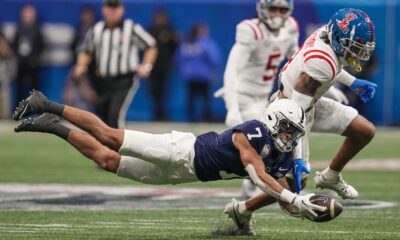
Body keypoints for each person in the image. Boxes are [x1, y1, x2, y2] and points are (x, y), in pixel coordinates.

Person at [12, 90, 326, 235]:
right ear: (274, 120)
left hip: (183, 176)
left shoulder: (283, 152)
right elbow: (257, 174)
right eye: (286, 127)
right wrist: (290, 195)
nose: (288, 135)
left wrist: (303, 201)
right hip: (179, 151)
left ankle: (52, 125)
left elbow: (280, 196)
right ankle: (46, 103)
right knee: (109, 137)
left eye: (293, 131)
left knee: (107, 161)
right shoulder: (254, 130)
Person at [222, 8, 377, 234]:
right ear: (337, 39)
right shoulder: (320, 64)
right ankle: (243, 209)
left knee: (364, 131)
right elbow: (297, 114)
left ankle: (331, 176)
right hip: (290, 113)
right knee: (296, 184)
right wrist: (295, 159)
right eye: (354, 48)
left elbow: (334, 66)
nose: (357, 54)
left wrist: (353, 82)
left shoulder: (327, 34)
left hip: (309, 102)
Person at [215, 0, 348, 198]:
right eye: (273, 9)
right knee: (263, 143)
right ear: (262, 9)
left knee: (269, 143)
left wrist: (332, 85)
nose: (278, 14)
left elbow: (300, 59)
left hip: (264, 96)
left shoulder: (290, 27)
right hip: (243, 95)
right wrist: (232, 106)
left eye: (282, 9)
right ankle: (252, 187)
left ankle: (253, 186)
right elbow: (232, 70)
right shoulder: (251, 30)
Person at [73, 0, 157, 128]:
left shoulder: (131, 27)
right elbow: (86, 50)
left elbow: (151, 46)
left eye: (115, 8)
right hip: (103, 80)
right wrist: (81, 65)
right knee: (102, 116)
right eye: (109, 7)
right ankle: (104, 146)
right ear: (104, 9)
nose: (112, 11)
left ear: (121, 10)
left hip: (125, 79)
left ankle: (117, 146)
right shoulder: (97, 29)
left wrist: (146, 65)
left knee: (115, 113)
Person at [176, 23, 221, 122]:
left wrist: (185, 70)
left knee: (191, 97)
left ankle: (191, 117)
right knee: (205, 98)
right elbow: (214, 58)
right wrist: (213, 71)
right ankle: (207, 116)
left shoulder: (186, 44)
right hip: (203, 76)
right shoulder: (206, 43)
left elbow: (178, 59)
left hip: (190, 76)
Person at [147, 9, 179, 121]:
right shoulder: (150, 30)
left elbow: (176, 45)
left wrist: (175, 38)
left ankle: (161, 113)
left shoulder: (170, 30)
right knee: (154, 91)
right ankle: (157, 112)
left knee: (164, 91)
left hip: (165, 67)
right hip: (152, 67)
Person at [63, 6, 97, 111]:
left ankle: (94, 114)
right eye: (84, 15)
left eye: (88, 15)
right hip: (76, 66)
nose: (86, 17)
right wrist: (76, 65)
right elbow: (73, 47)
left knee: (89, 93)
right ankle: (68, 113)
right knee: (68, 92)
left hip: (91, 68)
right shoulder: (78, 29)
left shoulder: (97, 29)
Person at [12, 4, 44, 108]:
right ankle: (17, 110)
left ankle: (34, 110)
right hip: (21, 63)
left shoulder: (37, 29)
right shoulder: (19, 28)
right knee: (19, 88)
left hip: (33, 64)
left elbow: (42, 45)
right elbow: (14, 44)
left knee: (33, 89)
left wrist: (35, 57)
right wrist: (16, 56)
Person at [0, 29, 16, 118]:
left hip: (2, 69)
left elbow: (8, 54)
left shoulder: (2, 36)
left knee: (4, 93)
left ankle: (4, 115)